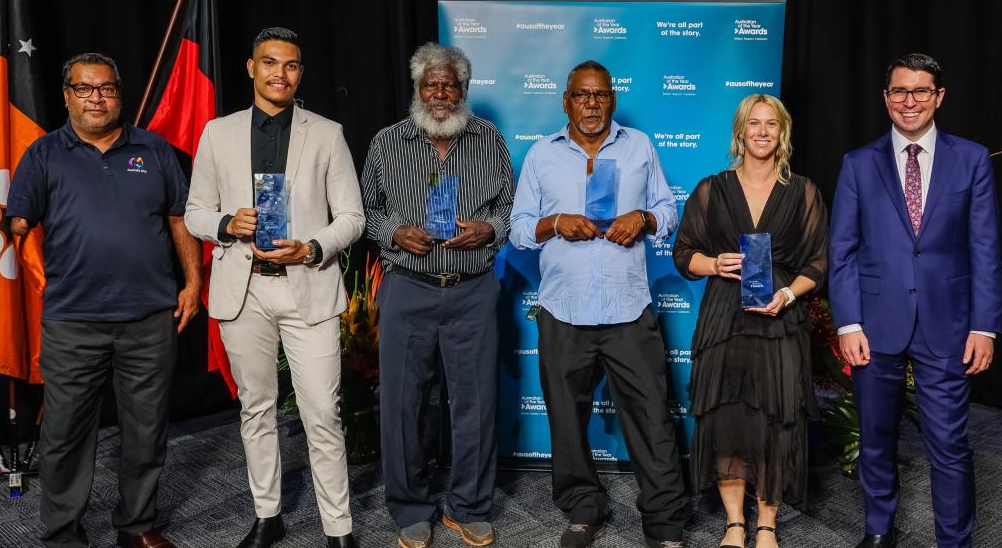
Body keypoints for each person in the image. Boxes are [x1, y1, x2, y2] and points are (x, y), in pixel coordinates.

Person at [6, 52, 201, 548]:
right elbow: (19, 222)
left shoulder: (154, 150)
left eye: (107, 88)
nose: (97, 97)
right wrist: (33, 261)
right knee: (67, 434)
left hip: (150, 319)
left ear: (120, 93)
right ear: (67, 95)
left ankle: (136, 526)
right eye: (85, 88)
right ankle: (64, 531)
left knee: (146, 431)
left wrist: (194, 284)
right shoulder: (44, 154)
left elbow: (179, 220)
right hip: (73, 322)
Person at [183, 27, 364, 548]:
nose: (279, 73)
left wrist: (310, 247)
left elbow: (351, 217)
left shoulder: (327, 133)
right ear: (251, 67)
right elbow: (195, 212)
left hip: (307, 285)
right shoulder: (218, 132)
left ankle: (339, 528)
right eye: (270, 62)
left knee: (322, 413)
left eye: (290, 65)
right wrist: (225, 224)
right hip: (244, 292)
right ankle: (268, 515)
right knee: (255, 408)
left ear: (300, 73)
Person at [509, 60, 688, 548]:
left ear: (612, 99)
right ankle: (584, 506)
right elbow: (519, 229)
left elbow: (670, 212)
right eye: (582, 95)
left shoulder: (639, 147)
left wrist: (645, 219)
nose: (591, 104)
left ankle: (665, 521)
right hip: (563, 311)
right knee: (567, 421)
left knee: (652, 418)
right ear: (565, 101)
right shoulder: (542, 156)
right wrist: (554, 223)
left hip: (628, 309)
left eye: (600, 95)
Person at [829, 53, 1002, 548]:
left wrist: (984, 327)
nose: (910, 101)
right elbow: (841, 251)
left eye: (921, 91)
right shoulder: (858, 164)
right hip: (874, 324)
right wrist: (847, 325)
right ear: (886, 98)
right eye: (900, 91)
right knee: (877, 437)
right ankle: (880, 529)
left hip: (948, 325)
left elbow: (985, 248)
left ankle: (954, 540)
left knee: (948, 443)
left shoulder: (971, 159)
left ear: (939, 97)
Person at [360, 42, 514, 548]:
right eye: (431, 85)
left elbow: (511, 208)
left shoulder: (489, 140)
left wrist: (488, 231)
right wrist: (395, 232)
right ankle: (411, 508)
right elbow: (367, 210)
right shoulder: (387, 143)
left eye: (450, 84)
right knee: (403, 405)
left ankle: (470, 505)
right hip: (408, 289)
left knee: (475, 404)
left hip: (471, 291)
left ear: (464, 90)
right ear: (417, 90)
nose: (440, 93)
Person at [672, 94, 828, 548]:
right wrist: (714, 264)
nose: (762, 132)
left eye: (771, 125)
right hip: (724, 320)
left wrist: (787, 293)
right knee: (728, 421)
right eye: (753, 124)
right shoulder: (711, 188)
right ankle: (735, 522)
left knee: (777, 420)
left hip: (780, 319)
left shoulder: (803, 191)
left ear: (783, 134)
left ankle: (767, 524)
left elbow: (818, 263)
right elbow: (683, 254)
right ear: (739, 134)